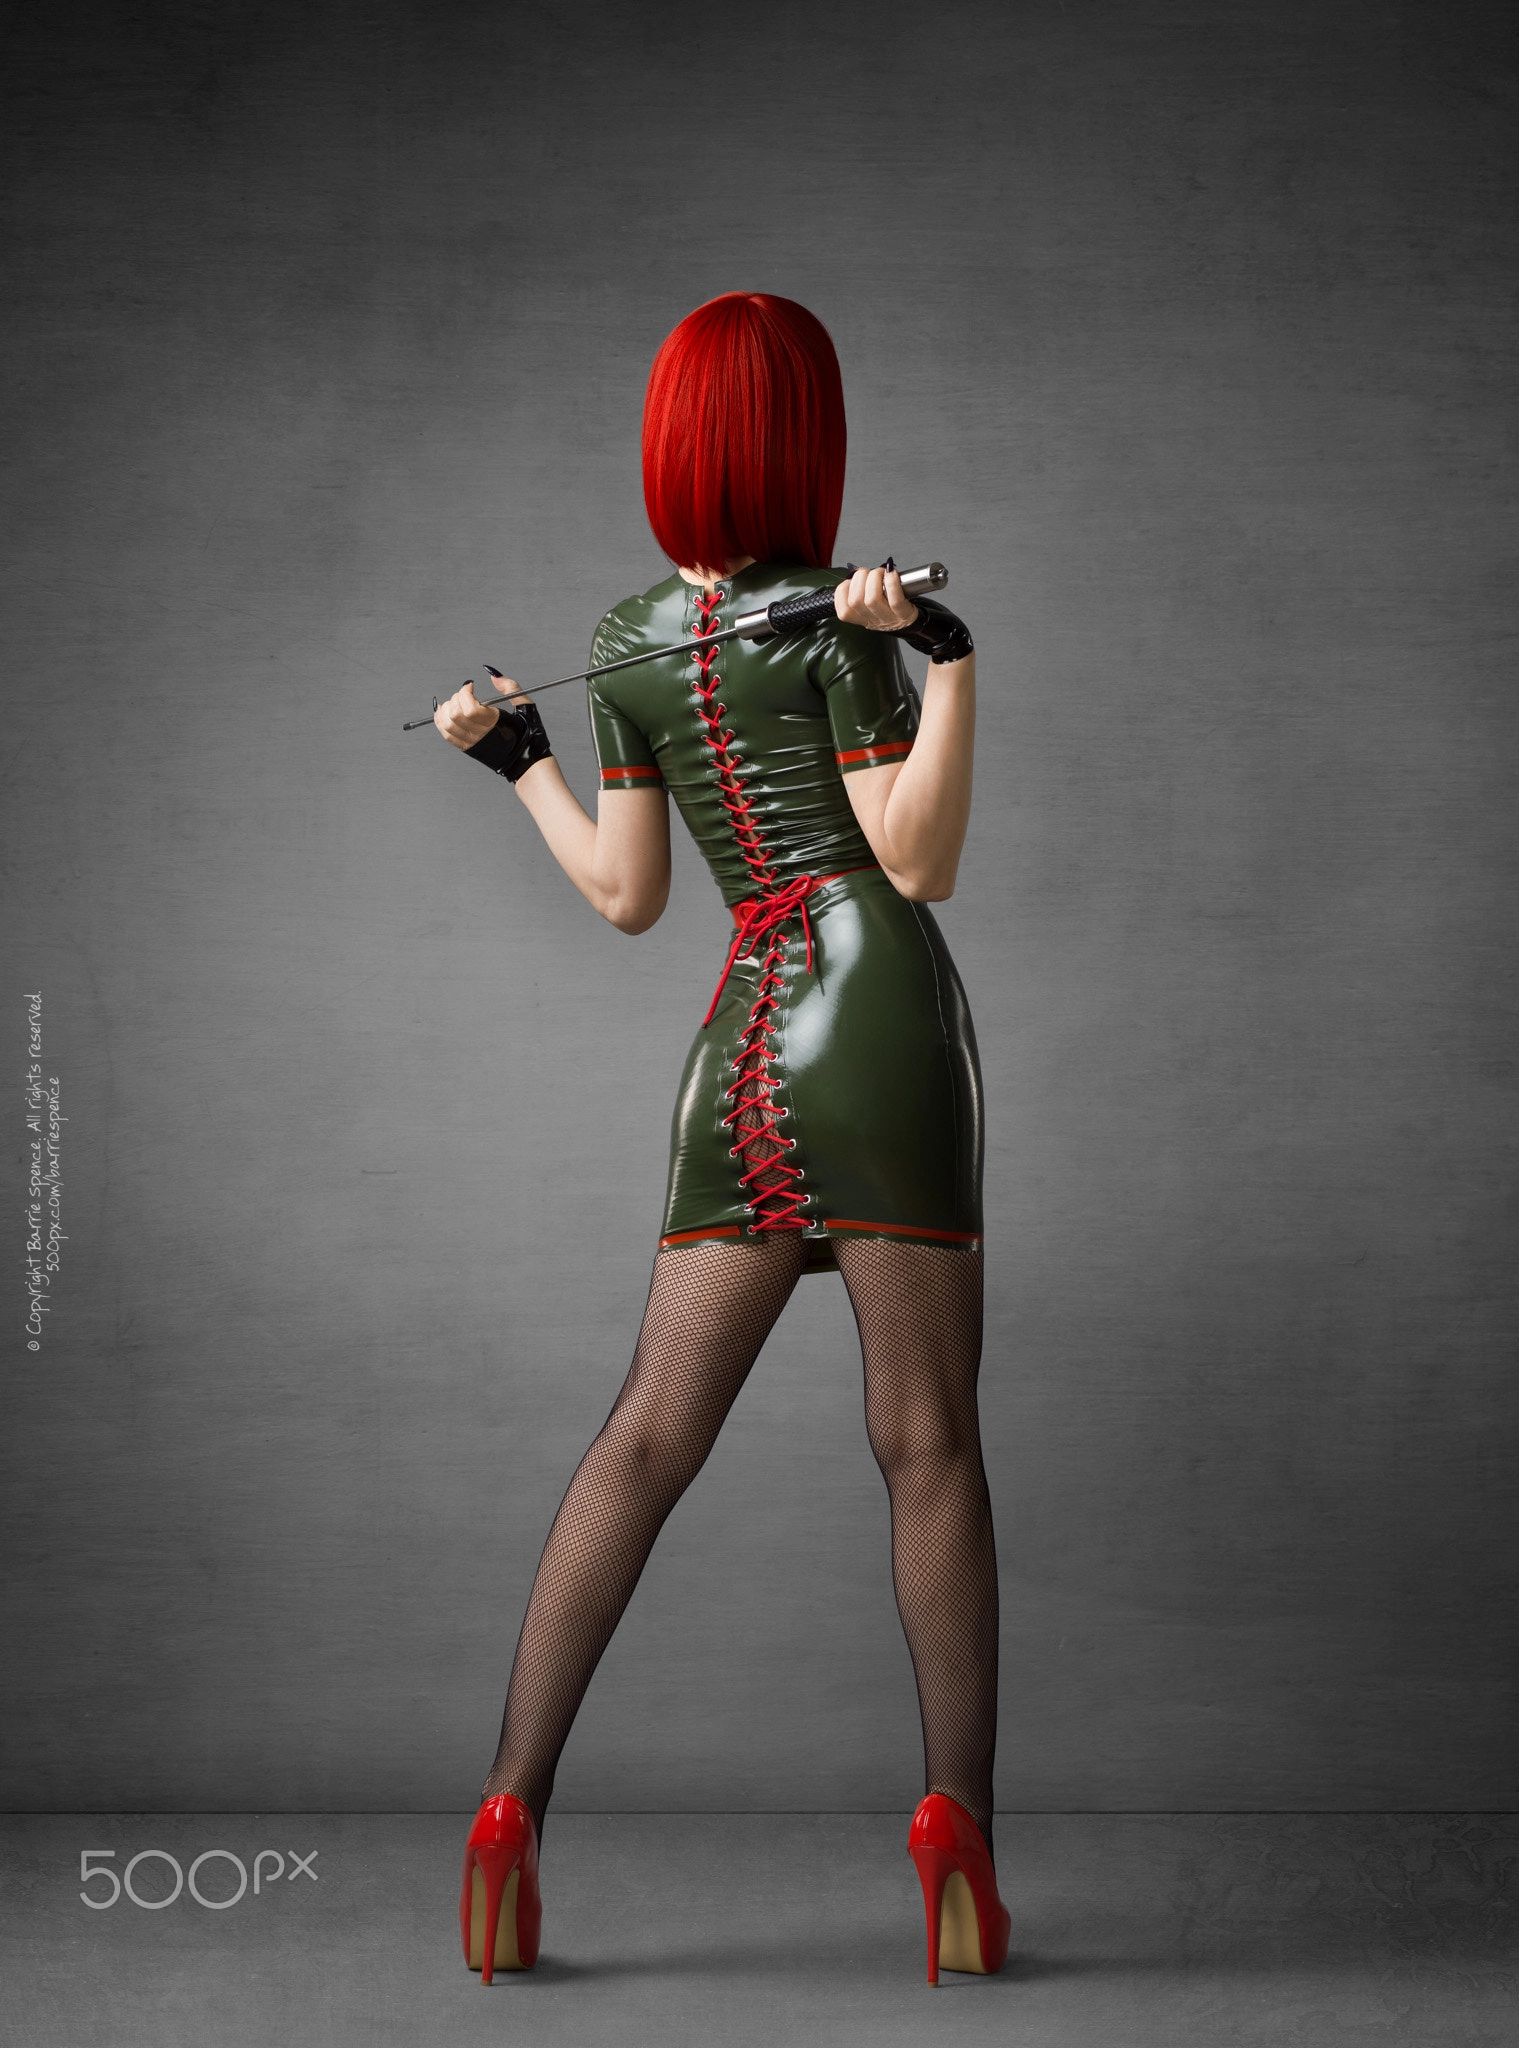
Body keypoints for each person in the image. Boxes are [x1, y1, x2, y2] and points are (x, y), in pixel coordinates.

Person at [433, 292, 1008, 1988]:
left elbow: (628, 898)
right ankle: (958, 1844)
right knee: (926, 1446)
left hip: (745, 1037)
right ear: (801, 440)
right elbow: (915, 863)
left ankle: (506, 1818)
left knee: (642, 1438)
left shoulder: (621, 642)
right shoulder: (841, 621)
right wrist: (948, 657)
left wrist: (517, 758)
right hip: (876, 1022)